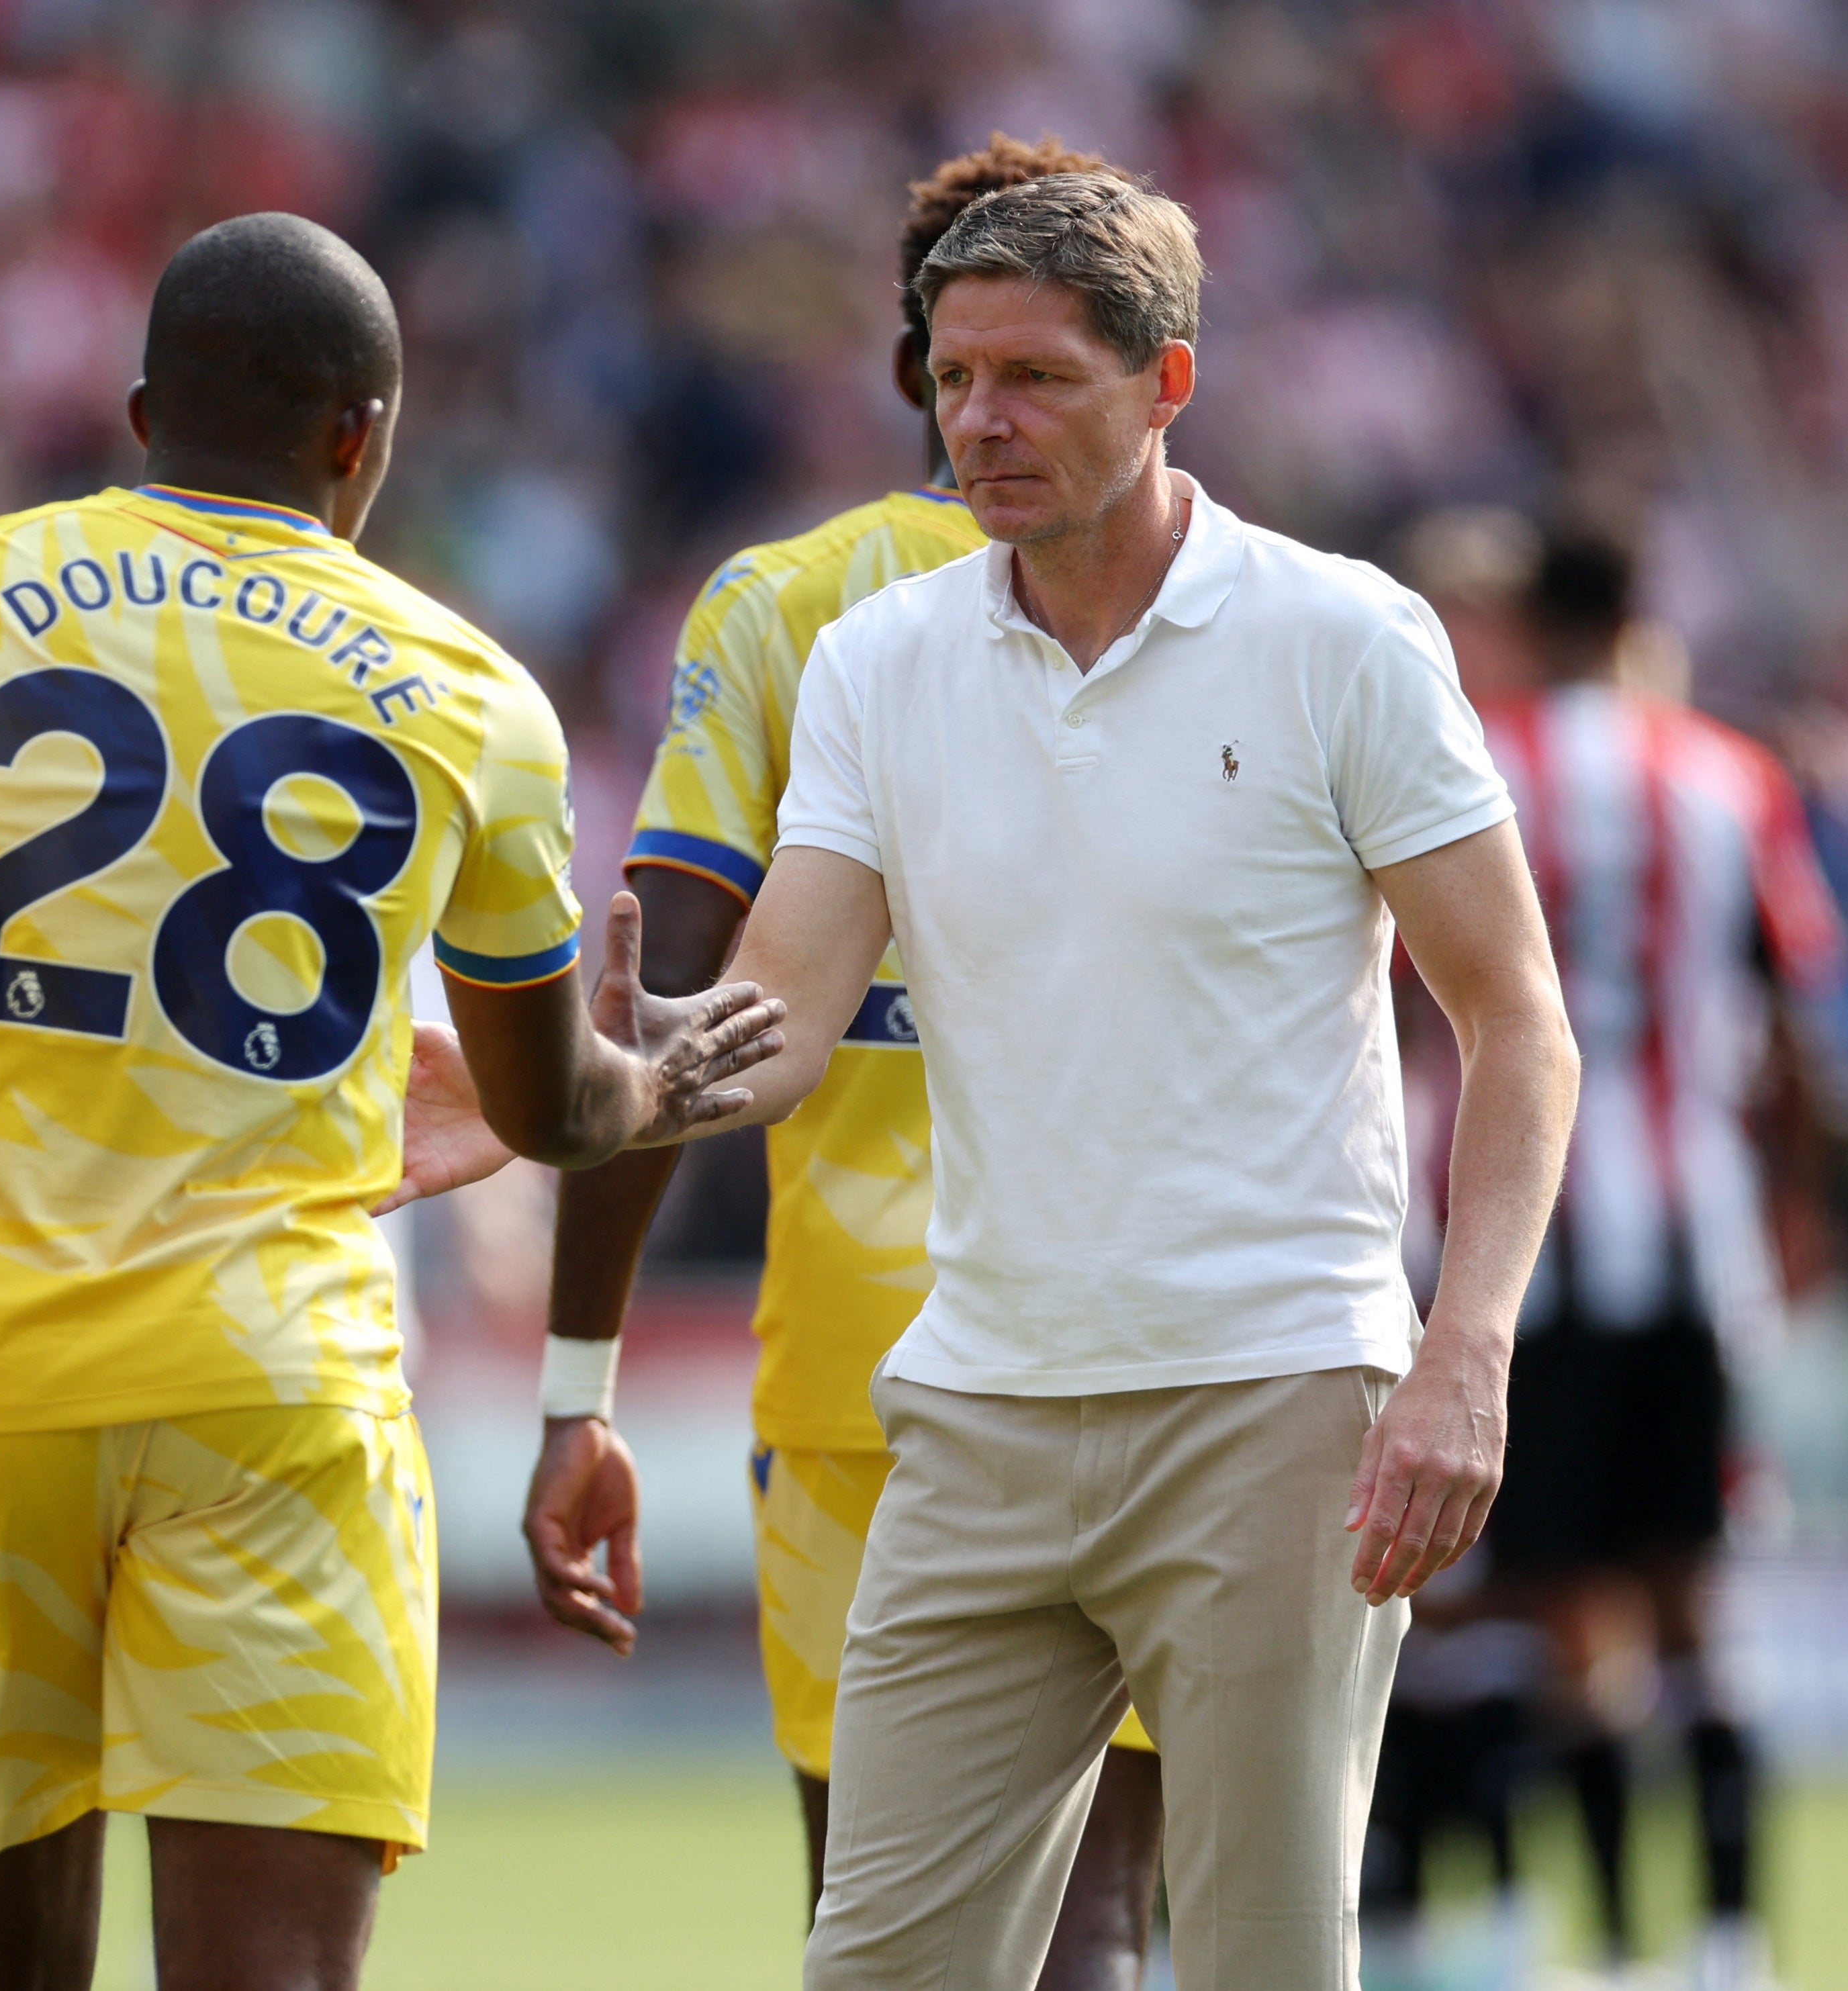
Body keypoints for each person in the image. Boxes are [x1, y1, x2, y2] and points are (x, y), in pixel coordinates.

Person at [620, 171, 1577, 1988]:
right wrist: (568, 1085)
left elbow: (1514, 1013)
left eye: (1037, 377)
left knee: (1258, 1960)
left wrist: (1462, 1350)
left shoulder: (1341, 637)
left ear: (1167, 382)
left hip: (1273, 1400)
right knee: (877, 1965)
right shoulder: (873, 660)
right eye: (952, 374)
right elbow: (778, 1019)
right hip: (976, 1411)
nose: (979, 418)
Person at [0, 211, 781, 1991]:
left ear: (136, 412)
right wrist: (654, 1074)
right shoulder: (466, 691)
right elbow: (559, 1102)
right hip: (272, 1389)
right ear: (364, 437)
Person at [522, 132, 1164, 1985]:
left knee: (879, 1926)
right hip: (1162, 1350)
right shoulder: (1238, 606)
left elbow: (669, 1008)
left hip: (874, 1367)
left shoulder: (786, 605)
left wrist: (582, 1375)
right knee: (1106, 1918)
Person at [1465, 534, 1845, 1991]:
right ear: (1636, 615)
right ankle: (1731, 1944)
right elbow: (1797, 1021)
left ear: (1523, 615)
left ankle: (1614, 1950)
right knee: (1699, 1607)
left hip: (1534, 1242)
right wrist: (1797, 1207)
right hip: (1695, 1244)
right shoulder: (1726, 775)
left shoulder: (1476, 762)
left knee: (1564, 1615)